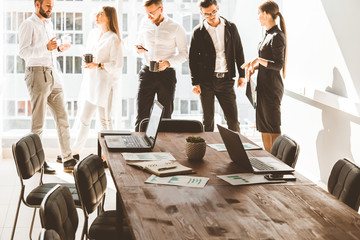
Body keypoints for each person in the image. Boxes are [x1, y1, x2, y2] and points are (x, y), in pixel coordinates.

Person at [18, 0, 77, 173]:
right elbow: (23, 52)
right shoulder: (28, 24)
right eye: (47, 6)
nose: (51, 9)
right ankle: (37, 163)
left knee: (62, 117)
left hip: (52, 73)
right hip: (37, 74)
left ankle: (67, 158)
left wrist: (57, 49)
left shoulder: (48, 24)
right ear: (37, 4)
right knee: (39, 122)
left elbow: (47, 51)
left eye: (52, 5)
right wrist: (45, 47)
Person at [72, 6, 123, 157]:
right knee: (84, 118)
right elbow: (91, 53)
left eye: (101, 14)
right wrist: (88, 59)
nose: (97, 16)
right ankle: (75, 152)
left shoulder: (114, 39)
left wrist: (99, 65)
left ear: (109, 17)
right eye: (97, 13)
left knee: (105, 120)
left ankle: (109, 156)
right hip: (92, 82)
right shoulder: (94, 34)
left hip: (105, 85)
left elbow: (117, 65)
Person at [189, 0, 245, 132]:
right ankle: (207, 151)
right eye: (207, 14)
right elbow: (192, 59)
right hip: (206, 82)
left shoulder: (231, 27)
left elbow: (239, 50)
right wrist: (195, 82)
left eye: (213, 12)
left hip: (226, 80)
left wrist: (242, 75)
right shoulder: (198, 32)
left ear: (218, 8)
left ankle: (236, 151)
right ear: (202, 13)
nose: (211, 16)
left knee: (233, 120)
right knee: (208, 121)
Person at [241, 0, 287, 152]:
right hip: (263, 87)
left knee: (273, 127)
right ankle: (269, 163)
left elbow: (278, 65)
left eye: (259, 14)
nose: (258, 17)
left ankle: (277, 165)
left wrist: (258, 60)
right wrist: (253, 67)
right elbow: (267, 63)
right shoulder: (267, 35)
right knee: (264, 127)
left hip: (272, 88)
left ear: (266, 14)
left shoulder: (277, 36)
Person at [135, 0, 188, 131]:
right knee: (142, 113)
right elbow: (138, 44)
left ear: (161, 9)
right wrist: (138, 49)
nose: (148, 16)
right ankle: (138, 146)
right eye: (147, 13)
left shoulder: (175, 27)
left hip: (166, 75)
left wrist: (168, 63)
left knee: (165, 115)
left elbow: (184, 54)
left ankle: (163, 148)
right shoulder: (144, 23)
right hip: (147, 73)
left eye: (151, 13)